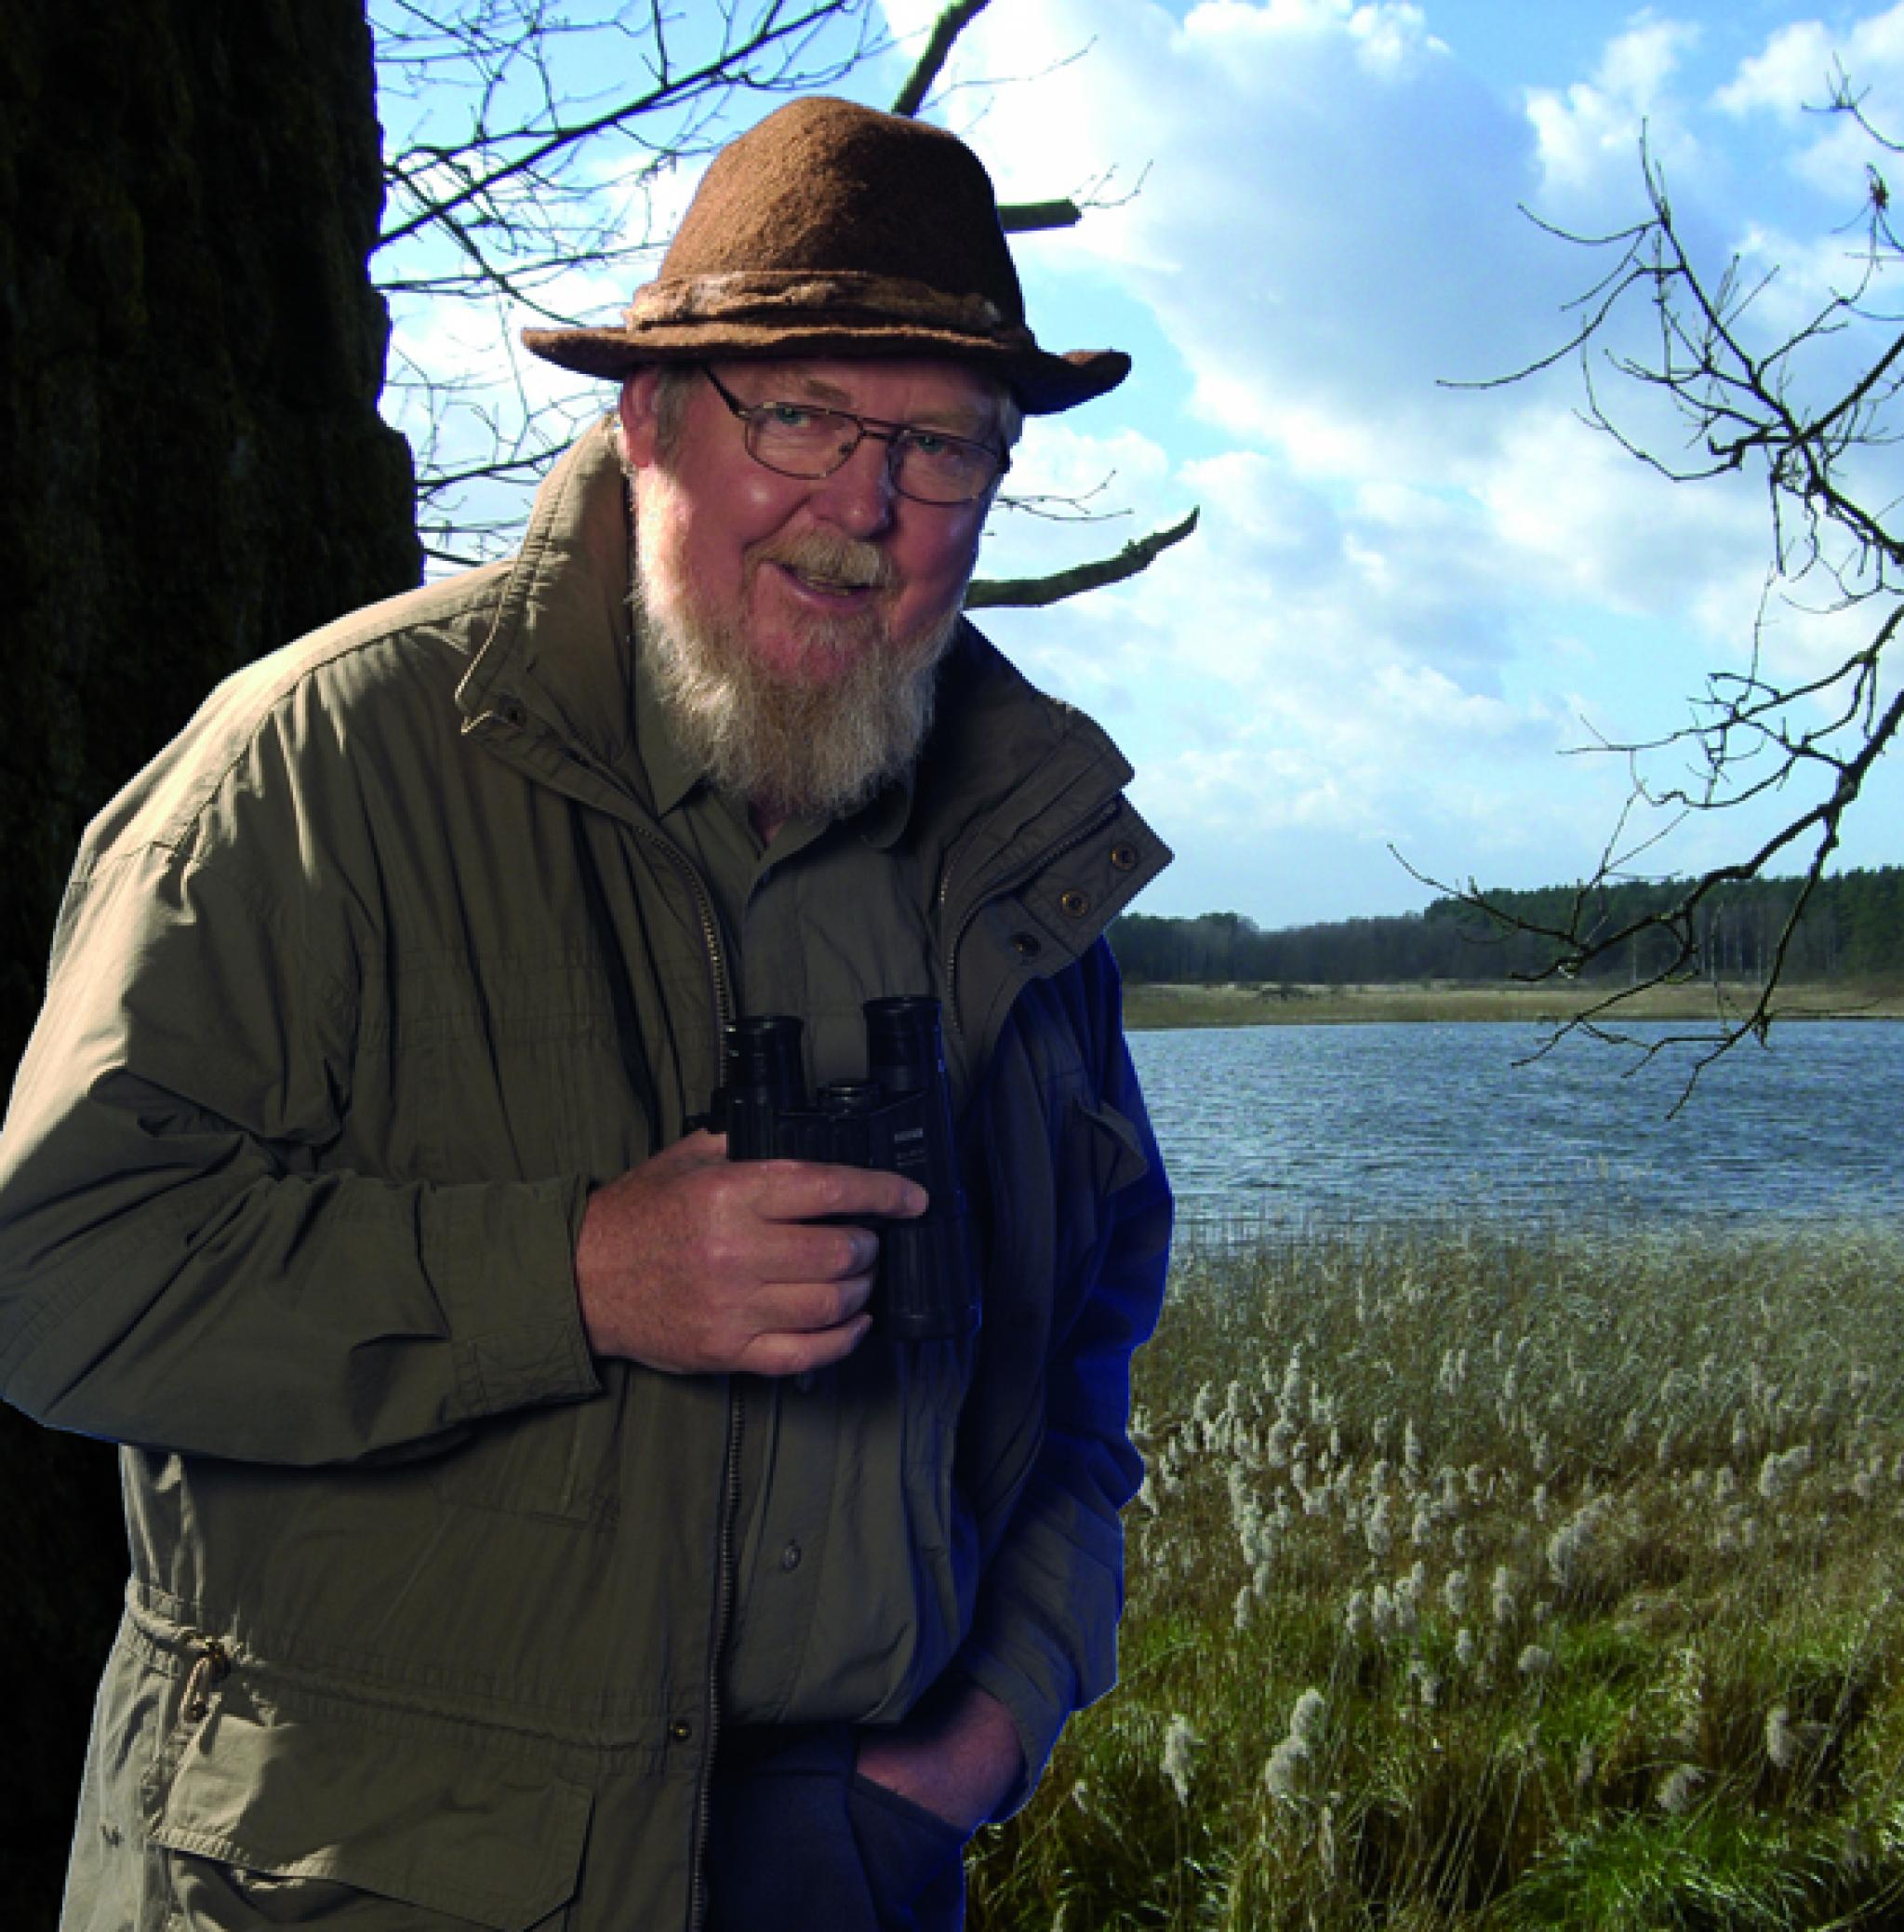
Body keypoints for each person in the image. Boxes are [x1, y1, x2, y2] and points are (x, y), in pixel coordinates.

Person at [0, 98, 1170, 1929]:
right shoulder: (314, 768)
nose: (862, 507)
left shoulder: (1016, 864)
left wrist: (1001, 1717)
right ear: (647, 419)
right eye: (800, 416)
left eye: (942, 447)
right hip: (347, 1881)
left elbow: (1088, 1354)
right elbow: (51, 1274)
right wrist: (576, 1274)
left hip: (839, 1870)